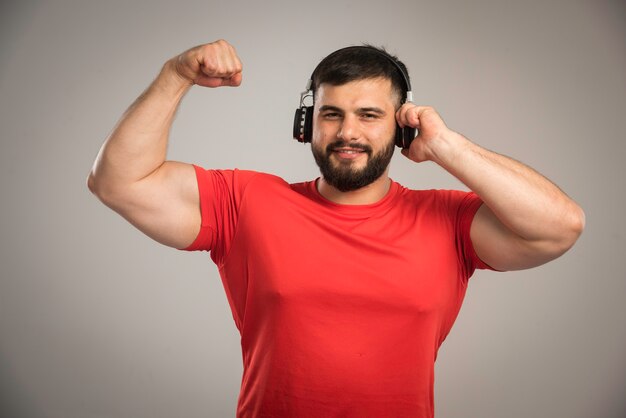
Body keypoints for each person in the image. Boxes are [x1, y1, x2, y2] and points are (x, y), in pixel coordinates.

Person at [87, 39, 585, 418]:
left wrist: (447, 147)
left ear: (401, 128)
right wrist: (176, 74)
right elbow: (117, 182)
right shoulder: (247, 201)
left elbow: (559, 227)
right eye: (332, 114)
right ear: (308, 124)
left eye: (370, 115)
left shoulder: (448, 220)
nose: (348, 132)